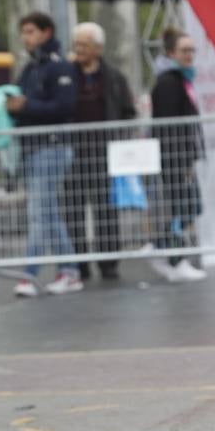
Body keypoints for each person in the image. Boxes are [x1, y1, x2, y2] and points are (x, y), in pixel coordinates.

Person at [7, 11, 82, 297]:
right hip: (34, 148)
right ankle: (70, 271)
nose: (26, 38)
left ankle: (29, 275)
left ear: (46, 32)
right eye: (24, 32)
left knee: (40, 213)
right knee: (48, 213)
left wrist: (25, 106)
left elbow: (65, 106)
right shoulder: (30, 69)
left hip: (52, 147)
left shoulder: (58, 67)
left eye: (30, 31)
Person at [64, 21, 136, 281]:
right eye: (76, 44)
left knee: (107, 209)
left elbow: (128, 111)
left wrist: (122, 140)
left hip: (106, 153)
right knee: (73, 210)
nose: (78, 49)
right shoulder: (67, 74)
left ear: (98, 48)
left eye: (84, 44)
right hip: (73, 153)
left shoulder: (114, 77)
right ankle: (79, 263)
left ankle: (109, 263)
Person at [147, 28, 207, 282]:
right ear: (171, 53)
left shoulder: (179, 79)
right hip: (174, 158)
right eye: (184, 50)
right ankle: (172, 255)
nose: (189, 55)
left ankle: (161, 247)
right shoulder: (169, 83)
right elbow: (170, 126)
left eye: (192, 50)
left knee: (188, 206)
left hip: (180, 157)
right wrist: (182, 160)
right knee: (183, 207)